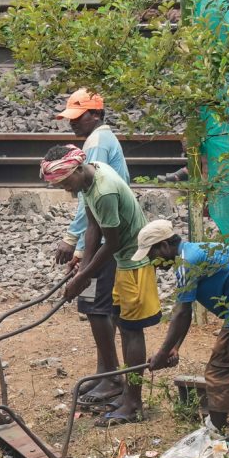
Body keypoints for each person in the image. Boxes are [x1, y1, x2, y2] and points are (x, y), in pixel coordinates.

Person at [40, 144, 159, 426]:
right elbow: (93, 226)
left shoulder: (104, 190)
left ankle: (133, 403)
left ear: (78, 169)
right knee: (120, 322)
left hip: (133, 261)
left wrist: (83, 278)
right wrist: (84, 264)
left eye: (66, 182)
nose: (66, 189)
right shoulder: (91, 178)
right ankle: (126, 392)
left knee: (131, 331)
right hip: (122, 259)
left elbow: (113, 242)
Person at [137, 221, 229, 432]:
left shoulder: (187, 263)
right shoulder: (193, 252)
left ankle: (215, 432)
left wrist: (162, 354)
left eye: (151, 256)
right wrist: (175, 347)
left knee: (219, 371)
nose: (152, 263)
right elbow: (186, 313)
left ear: (163, 246)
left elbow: (181, 313)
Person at [53, 88, 129, 408]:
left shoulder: (97, 142)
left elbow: (88, 197)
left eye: (78, 116)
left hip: (109, 236)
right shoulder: (100, 138)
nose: (73, 123)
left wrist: (74, 243)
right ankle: (104, 373)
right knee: (98, 307)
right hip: (104, 233)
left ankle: (111, 377)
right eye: (70, 117)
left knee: (99, 308)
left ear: (95, 114)